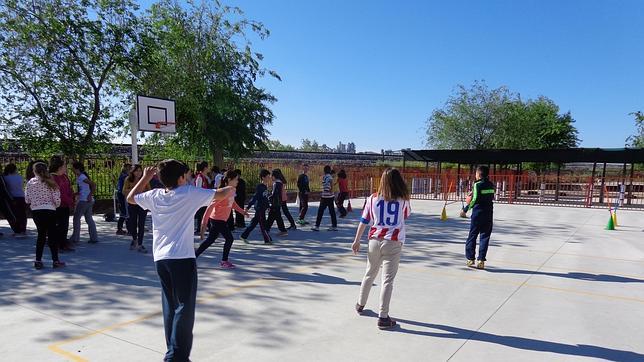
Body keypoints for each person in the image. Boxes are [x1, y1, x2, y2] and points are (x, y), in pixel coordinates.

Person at [127, 160, 233, 361]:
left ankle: (174, 351)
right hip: (182, 257)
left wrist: (145, 178)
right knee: (184, 307)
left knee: (170, 306)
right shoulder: (188, 193)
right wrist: (230, 185)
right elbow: (220, 194)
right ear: (180, 178)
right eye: (186, 175)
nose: (188, 178)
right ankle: (176, 356)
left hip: (161, 259)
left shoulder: (154, 195)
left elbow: (131, 198)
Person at [352, 168, 411, 330]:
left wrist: (357, 240)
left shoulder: (372, 198)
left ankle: (360, 304)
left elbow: (364, 220)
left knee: (369, 273)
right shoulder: (403, 200)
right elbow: (406, 215)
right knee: (387, 280)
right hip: (393, 241)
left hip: (374, 241)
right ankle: (383, 317)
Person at [196, 170, 249, 269]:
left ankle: (193, 257)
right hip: (217, 219)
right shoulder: (224, 191)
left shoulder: (232, 190)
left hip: (221, 220)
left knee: (210, 240)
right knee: (229, 238)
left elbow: (232, 203)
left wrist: (243, 212)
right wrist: (203, 227)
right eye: (236, 179)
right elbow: (209, 208)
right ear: (229, 180)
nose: (238, 181)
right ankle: (224, 261)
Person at [25, 162, 65, 269]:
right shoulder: (51, 182)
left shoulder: (30, 183)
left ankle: (38, 260)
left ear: (34, 171)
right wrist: (55, 205)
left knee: (41, 235)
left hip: (37, 212)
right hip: (50, 210)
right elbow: (57, 199)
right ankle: (55, 261)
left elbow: (27, 199)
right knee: (52, 236)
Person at [462, 165, 495, 270]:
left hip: (478, 214)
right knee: (485, 237)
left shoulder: (477, 184)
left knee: (472, 235)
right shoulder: (491, 184)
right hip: (488, 213)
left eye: (476, 173)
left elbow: (475, 199)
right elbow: (489, 196)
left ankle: (470, 258)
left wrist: (465, 209)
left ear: (479, 174)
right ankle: (481, 260)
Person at [50, 156, 76, 252]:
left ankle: (63, 243)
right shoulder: (53, 177)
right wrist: (70, 201)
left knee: (64, 225)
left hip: (65, 205)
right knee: (57, 226)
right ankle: (57, 245)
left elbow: (69, 188)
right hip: (56, 205)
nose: (66, 168)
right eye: (64, 166)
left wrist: (72, 197)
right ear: (59, 167)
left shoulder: (64, 176)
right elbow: (59, 192)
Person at [123, 165, 151, 253]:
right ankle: (134, 239)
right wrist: (134, 190)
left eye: (140, 171)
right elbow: (124, 191)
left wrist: (142, 192)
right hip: (132, 203)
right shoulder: (128, 179)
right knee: (133, 223)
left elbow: (149, 191)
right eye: (136, 171)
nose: (138, 173)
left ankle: (140, 244)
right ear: (133, 172)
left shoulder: (144, 180)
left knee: (141, 224)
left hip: (142, 203)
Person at [240, 169, 272, 244]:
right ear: (263, 177)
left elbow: (265, 198)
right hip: (259, 208)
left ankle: (244, 236)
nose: (269, 178)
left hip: (263, 208)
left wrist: (268, 206)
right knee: (263, 225)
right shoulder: (259, 187)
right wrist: (248, 207)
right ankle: (267, 240)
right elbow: (255, 197)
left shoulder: (264, 186)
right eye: (267, 177)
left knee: (253, 223)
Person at [69, 161, 98, 244]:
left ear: (77, 169)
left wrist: (89, 195)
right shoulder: (82, 176)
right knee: (89, 219)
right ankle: (94, 237)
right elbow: (85, 188)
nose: (72, 171)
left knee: (76, 218)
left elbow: (93, 184)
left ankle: (75, 238)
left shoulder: (82, 177)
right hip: (88, 200)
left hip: (84, 200)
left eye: (73, 169)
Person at [2, 163, 27, 236]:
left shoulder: (5, 178)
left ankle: (17, 230)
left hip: (12, 197)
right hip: (21, 196)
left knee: (14, 214)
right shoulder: (19, 177)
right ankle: (23, 229)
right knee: (23, 214)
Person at [312, 165, 337, 231]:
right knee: (332, 211)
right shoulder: (330, 177)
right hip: (330, 196)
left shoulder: (325, 177)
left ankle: (317, 226)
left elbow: (328, 185)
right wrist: (331, 191)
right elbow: (331, 185)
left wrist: (328, 191)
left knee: (320, 211)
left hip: (325, 196)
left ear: (324, 171)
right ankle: (334, 226)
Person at [265, 169, 288, 237]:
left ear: (274, 176)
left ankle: (283, 231)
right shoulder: (279, 183)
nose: (271, 177)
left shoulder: (277, 183)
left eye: (272, 176)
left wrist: (269, 197)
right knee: (272, 216)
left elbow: (275, 194)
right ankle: (266, 229)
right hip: (277, 203)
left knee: (277, 217)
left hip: (275, 203)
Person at [116, 163, 131, 235]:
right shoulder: (125, 176)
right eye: (129, 168)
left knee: (124, 213)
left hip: (121, 194)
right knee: (126, 213)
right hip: (123, 195)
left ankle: (120, 229)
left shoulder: (122, 175)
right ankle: (128, 230)